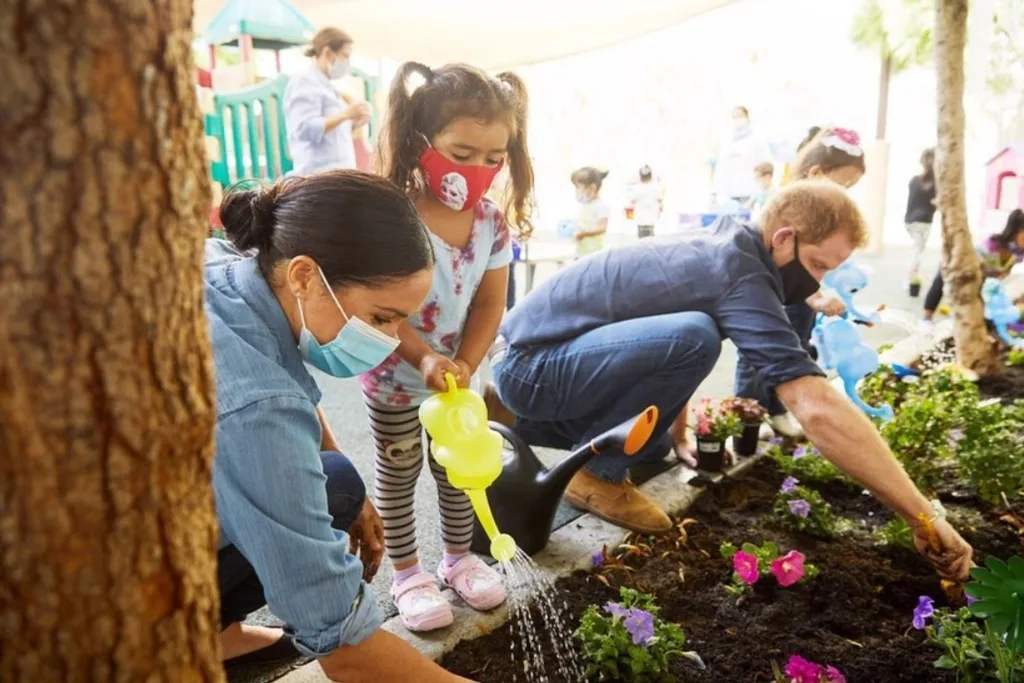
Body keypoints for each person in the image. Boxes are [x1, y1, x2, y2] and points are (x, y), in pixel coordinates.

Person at [487, 179, 973, 582]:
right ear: (784, 238)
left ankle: (522, 417)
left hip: (540, 350)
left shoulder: (727, 241)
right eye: (818, 265)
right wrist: (921, 514)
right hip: (534, 364)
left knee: (652, 440)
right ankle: (597, 475)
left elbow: (649, 331)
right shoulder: (741, 274)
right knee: (696, 337)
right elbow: (815, 405)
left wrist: (673, 433)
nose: (817, 284)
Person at [207, 171, 473, 683]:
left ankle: (211, 629)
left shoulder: (230, 269)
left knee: (337, 483)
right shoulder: (256, 406)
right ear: (306, 276)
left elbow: (286, 391)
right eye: (381, 318)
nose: (393, 342)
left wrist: (344, 476)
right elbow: (348, 653)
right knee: (314, 500)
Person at [361, 62, 534, 632]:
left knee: (464, 470)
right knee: (400, 470)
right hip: (394, 378)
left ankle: (459, 559)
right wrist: (424, 357)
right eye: (461, 153)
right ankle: (409, 573)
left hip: (456, 386)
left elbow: (489, 303)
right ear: (420, 143)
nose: (478, 171)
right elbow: (384, 306)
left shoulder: (491, 224)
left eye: (493, 157)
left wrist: (463, 360)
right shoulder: (393, 216)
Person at [734, 127, 865, 440]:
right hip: (779, 301)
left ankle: (776, 411)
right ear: (818, 173)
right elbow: (787, 269)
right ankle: (747, 417)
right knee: (758, 357)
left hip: (802, 302)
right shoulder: (785, 211)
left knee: (794, 350)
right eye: (844, 183)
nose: (846, 193)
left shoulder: (827, 216)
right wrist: (817, 296)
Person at [284, 27, 371, 175]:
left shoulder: (329, 87)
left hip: (338, 175)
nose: (347, 63)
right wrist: (346, 115)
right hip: (317, 176)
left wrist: (356, 121)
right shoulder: (304, 81)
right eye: (345, 56)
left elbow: (333, 134)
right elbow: (304, 129)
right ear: (328, 53)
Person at [922, 208, 1024, 330]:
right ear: (1015, 232)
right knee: (941, 281)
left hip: (982, 277)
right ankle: (926, 319)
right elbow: (975, 268)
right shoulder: (993, 245)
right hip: (960, 260)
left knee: (978, 303)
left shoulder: (1018, 254)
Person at [713, 106, 773, 206]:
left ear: (747, 117)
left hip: (752, 191)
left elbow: (766, 164)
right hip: (730, 193)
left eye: (740, 116)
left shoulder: (757, 139)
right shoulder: (727, 141)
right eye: (734, 117)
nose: (738, 119)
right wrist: (717, 190)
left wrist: (764, 185)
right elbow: (721, 167)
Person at [905, 148, 938, 294]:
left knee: (916, 249)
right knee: (917, 251)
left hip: (909, 220)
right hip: (924, 221)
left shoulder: (914, 181)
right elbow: (937, 204)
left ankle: (911, 280)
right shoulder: (935, 184)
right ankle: (911, 281)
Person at [571, 167, 611, 258]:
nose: (576, 191)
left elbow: (602, 228)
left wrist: (584, 234)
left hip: (593, 254)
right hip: (581, 253)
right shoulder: (585, 206)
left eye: (578, 187)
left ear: (592, 188)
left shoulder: (601, 206)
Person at [630, 165, 664, 239]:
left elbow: (632, 201)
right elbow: (661, 203)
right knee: (652, 241)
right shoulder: (656, 187)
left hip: (640, 219)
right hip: (653, 219)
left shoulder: (636, 188)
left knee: (642, 241)